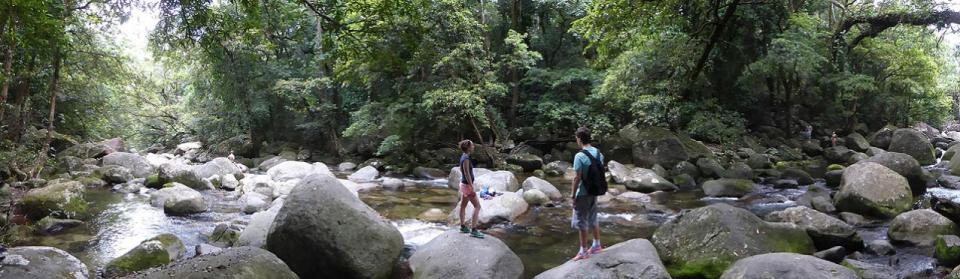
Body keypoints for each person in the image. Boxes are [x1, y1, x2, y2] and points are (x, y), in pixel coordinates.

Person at [570, 127, 603, 261]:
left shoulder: (579, 156)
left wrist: (573, 195)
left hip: (583, 193)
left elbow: (577, 177)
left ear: (579, 139)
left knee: (581, 221)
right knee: (593, 217)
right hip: (594, 190)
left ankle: (583, 251)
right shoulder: (598, 153)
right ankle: (597, 245)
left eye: (576, 138)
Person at [457, 140, 484, 239]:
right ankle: (474, 230)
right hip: (467, 186)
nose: (473, 147)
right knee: (477, 206)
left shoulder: (463, 156)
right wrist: (471, 186)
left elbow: (461, 169)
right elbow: (466, 173)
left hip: (463, 184)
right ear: (468, 147)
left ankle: (463, 226)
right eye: (472, 145)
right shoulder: (466, 158)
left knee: (463, 206)